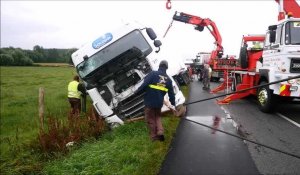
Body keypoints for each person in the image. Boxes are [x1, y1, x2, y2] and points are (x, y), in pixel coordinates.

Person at [135, 60, 177, 142]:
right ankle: (160, 131)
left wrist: (137, 92)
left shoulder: (153, 74)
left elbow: (144, 84)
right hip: (159, 103)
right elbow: (171, 94)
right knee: (157, 117)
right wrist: (173, 104)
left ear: (159, 66)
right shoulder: (168, 80)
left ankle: (154, 137)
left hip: (149, 102)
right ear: (166, 68)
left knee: (150, 119)